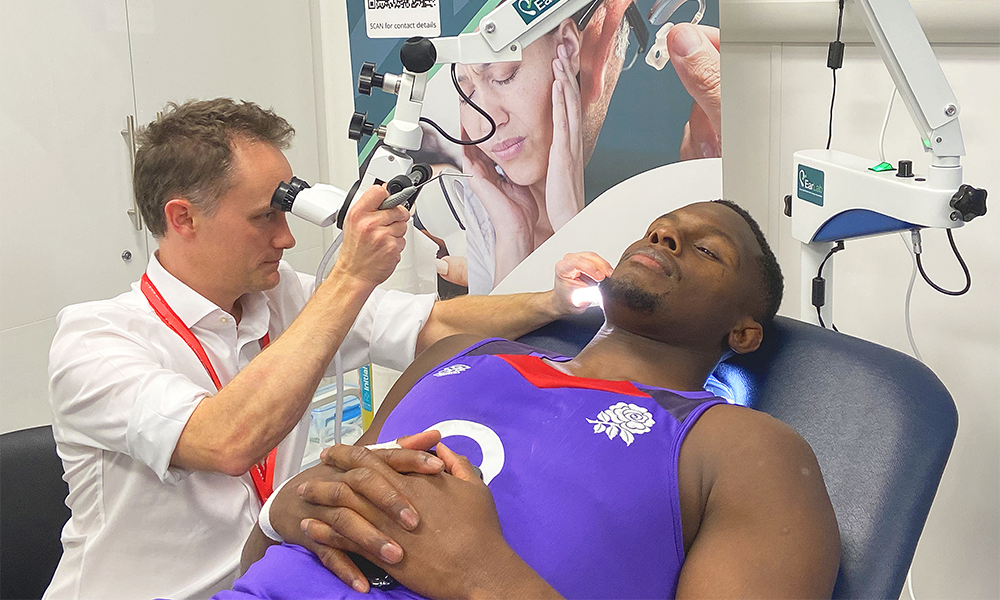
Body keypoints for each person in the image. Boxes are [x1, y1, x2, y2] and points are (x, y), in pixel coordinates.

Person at [44, 98, 613, 600]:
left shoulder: (282, 294)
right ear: (182, 217)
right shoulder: (95, 339)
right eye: (265, 215)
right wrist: (349, 276)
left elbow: (429, 325)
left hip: (270, 582)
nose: (286, 237)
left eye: (285, 212)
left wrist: (554, 302)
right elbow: (225, 441)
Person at [221, 200, 841, 600]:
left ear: (743, 332)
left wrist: (480, 578)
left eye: (707, 250)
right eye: (660, 230)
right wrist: (282, 510)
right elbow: (266, 551)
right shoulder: (458, 355)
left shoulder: (745, 449)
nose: (668, 237)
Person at [456, 0, 723, 292]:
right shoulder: (479, 216)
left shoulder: (663, 204)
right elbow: (495, 338)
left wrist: (570, 225)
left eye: (503, 75)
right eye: (464, 92)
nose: (486, 123)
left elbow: (612, 333)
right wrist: (514, 238)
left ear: (569, 49)